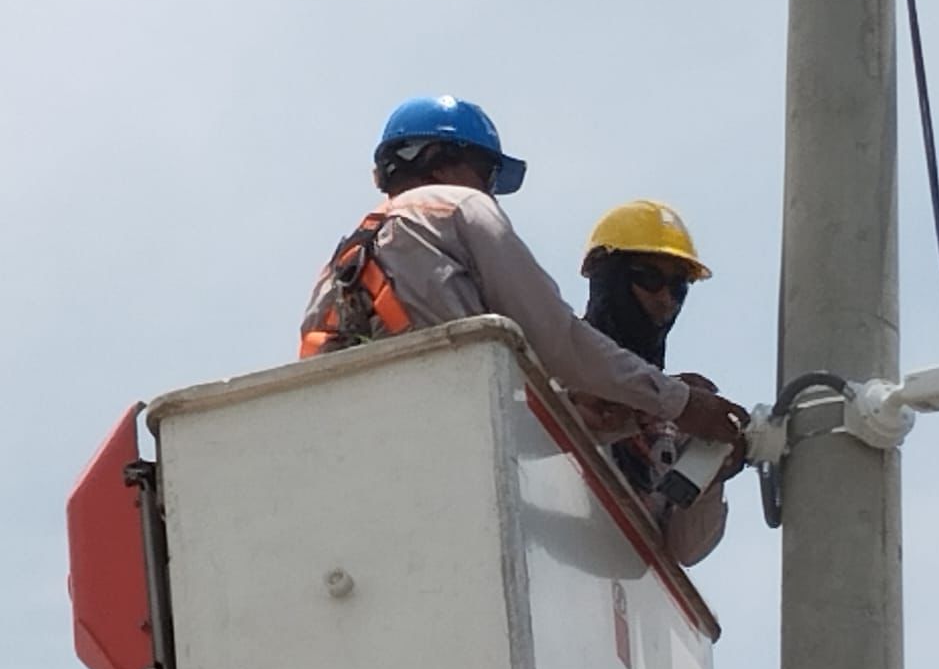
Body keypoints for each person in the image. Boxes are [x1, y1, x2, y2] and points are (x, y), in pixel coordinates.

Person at [300, 95, 745, 446]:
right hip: (446, 424)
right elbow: (556, 337)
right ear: (438, 161)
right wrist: (680, 403)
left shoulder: (343, 261)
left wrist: (582, 412)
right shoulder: (461, 206)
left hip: (356, 430)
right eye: (487, 173)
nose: (490, 191)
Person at [574, 200, 735, 566]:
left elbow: (685, 549)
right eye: (649, 278)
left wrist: (713, 457)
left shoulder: (675, 422)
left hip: (607, 589)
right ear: (609, 279)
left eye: (679, 288)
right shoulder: (551, 358)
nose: (665, 299)